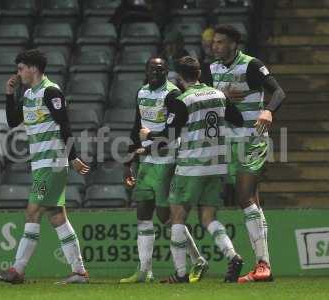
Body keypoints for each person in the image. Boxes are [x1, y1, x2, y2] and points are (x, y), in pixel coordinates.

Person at [139, 56, 244, 283]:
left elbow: (167, 138)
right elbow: (238, 119)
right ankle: (232, 255)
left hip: (191, 165)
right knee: (208, 218)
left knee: (177, 217)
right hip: (217, 166)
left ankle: (180, 273)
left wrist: (148, 136)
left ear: (178, 76)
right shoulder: (218, 94)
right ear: (199, 74)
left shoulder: (183, 100)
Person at [0, 49, 91, 284]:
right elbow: (13, 121)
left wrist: (72, 156)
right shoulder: (28, 94)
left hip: (53, 163)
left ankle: (17, 270)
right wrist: (9, 94)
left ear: (33, 68)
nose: (19, 73)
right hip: (41, 164)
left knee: (33, 211)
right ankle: (79, 272)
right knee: (57, 216)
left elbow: (64, 123)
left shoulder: (51, 91)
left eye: (21, 68)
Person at [120, 57, 208, 284]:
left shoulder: (172, 95)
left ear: (167, 72)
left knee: (164, 216)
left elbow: (172, 135)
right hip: (146, 163)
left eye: (161, 69)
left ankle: (197, 258)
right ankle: (145, 271)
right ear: (147, 70)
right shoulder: (141, 92)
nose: (157, 72)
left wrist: (147, 147)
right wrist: (128, 160)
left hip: (166, 161)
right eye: (153, 69)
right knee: (142, 214)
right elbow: (135, 127)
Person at [210, 25, 286, 282]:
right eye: (214, 42)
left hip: (252, 138)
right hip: (227, 140)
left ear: (234, 44)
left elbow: (278, 91)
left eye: (221, 42)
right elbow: (208, 101)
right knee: (250, 199)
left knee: (244, 197)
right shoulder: (213, 69)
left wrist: (269, 110)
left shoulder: (252, 65)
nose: (215, 46)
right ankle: (263, 266)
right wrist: (221, 95)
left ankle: (264, 264)